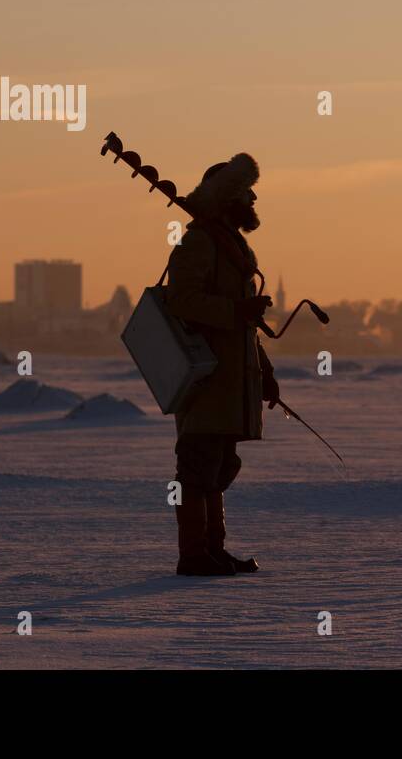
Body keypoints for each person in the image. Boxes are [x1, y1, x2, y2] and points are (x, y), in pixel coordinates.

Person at [164, 152, 280, 576]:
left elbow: (244, 325)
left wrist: (264, 372)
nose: (252, 202)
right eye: (246, 195)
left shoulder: (229, 244)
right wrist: (237, 308)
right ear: (227, 199)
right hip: (206, 379)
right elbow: (182, 301)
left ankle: (213, 551)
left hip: (233, 380)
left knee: (220, 466)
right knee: (196, 467)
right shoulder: (198, 242)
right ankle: (193, 555)